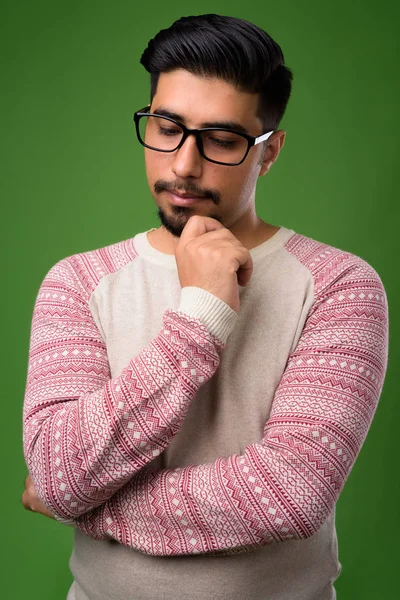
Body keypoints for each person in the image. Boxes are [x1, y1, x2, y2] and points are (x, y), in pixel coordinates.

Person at [21, 13, 389, 600]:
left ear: (268, 153)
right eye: (166, 127)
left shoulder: (339, 284)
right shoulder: (77, 281)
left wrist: (89, 507)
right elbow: (58, 468)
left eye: (221, 140)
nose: (184, 165)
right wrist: (200, 316)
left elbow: (289, 494)